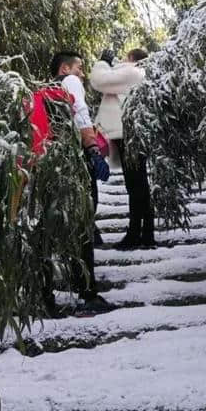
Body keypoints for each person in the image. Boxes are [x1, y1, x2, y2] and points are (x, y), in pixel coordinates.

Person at [47, 50, 111, 315]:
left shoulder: (50, 90)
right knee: (84, 224)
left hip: (59, 163)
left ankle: (72, 283)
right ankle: (87, 290)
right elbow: (81, 113)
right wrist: (93, 150)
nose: (82, 74)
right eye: (79, 68)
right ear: (65, 69)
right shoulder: (70, 83)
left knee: (72, 227)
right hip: (77, 162)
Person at [90, 48, 154, 250]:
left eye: (126, 57)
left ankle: (135, 234)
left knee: (135, 185)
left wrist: (102, 62)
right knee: (139, 184)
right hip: (130, 134)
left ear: (133, 60)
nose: (122, 60)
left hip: (128, 135)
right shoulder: (135, 75)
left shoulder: (133, 72)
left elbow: (99, 81)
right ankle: (145, 233)